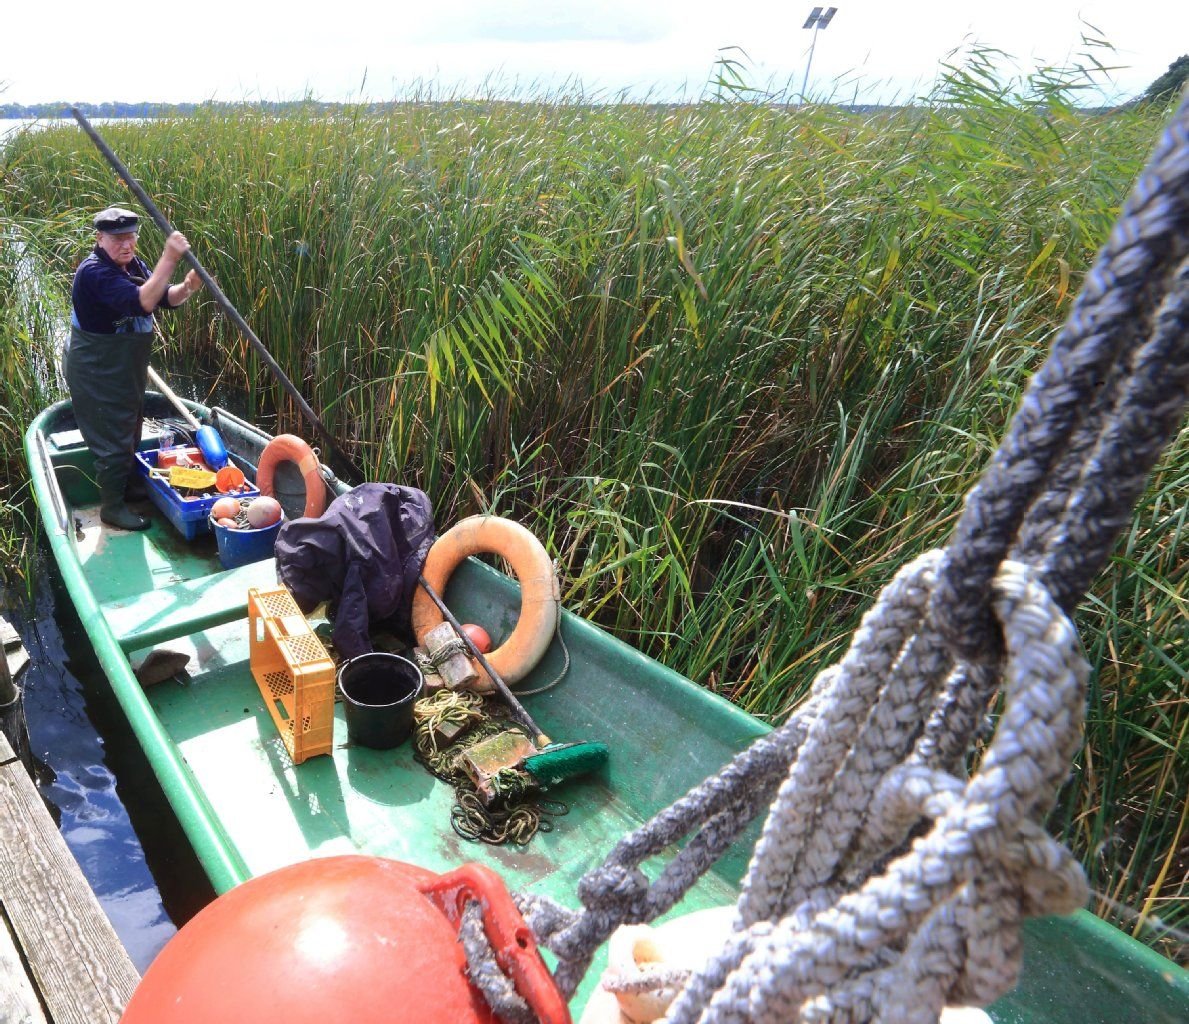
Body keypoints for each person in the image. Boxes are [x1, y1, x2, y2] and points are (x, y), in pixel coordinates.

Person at [67, 207, 203, 530]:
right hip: (97, 370)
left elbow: (160, 297)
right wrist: (169, 257)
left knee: (131, 429)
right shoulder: (94, 273)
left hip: (124, 368)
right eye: (118, 239)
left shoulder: (130, 265)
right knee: (113, 438)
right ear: (99, 238)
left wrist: (186, 288)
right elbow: (142, 301)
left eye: (131, 238)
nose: (126, 246)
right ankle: (112, 507)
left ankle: (128, 486)